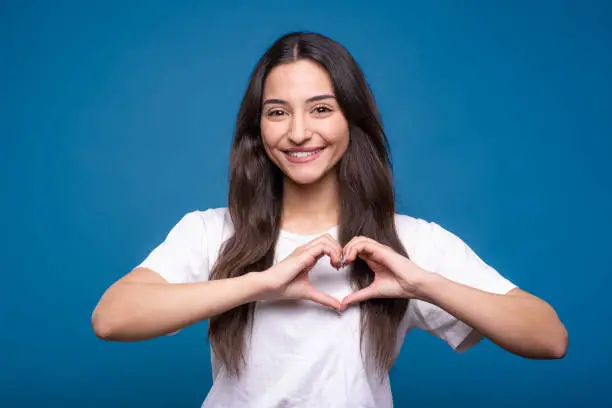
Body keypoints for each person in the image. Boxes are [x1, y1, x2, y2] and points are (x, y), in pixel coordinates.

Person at [91, 32, 568, 407]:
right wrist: (259, 283)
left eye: (321, 109)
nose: (299, 132)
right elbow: (112, 318)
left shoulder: (408, 242)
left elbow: (548, 337)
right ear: (258, 129)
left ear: (351, 120)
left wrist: (421, 284)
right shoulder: (210, 232)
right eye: (277, 112)